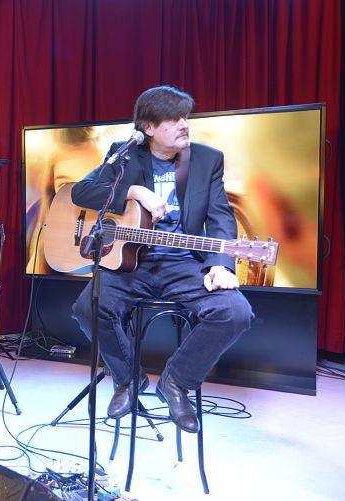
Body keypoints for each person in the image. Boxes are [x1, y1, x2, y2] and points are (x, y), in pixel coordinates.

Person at [70, 86, 253, 433]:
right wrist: (134, 192)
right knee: (87, 308)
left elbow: (221, 217)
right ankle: (128, 378)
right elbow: (82, 191)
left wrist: (220, 264)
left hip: (183, 262)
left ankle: (176, 381)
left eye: (186, 117)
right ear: (149, 128)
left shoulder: (207, 159)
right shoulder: (125, 154)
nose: (185, 124)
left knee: (235, 312)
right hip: (130, 262)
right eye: (174, 119)